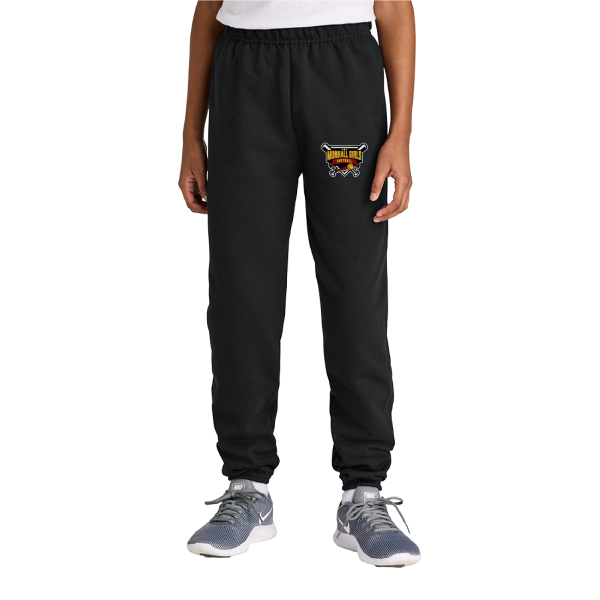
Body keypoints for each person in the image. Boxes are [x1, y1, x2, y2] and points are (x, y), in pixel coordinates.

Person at [178, 0, 419, 568]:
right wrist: (191, 132)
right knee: (242, 289)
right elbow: (208, 9)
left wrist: (401, 133)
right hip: (244, 73)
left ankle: (364, 495)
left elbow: (394, 8)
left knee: (355, 286)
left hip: (343, 69)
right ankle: (247, 488)